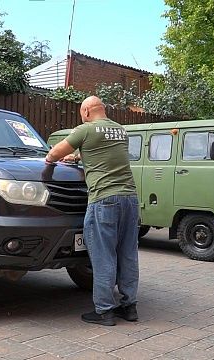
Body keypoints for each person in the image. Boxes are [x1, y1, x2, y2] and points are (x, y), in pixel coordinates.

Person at [45, 96, 140, 326]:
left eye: (81, 113)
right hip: (130, 198)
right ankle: (129, 307)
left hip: (105, 199)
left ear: (86, 111)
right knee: (127, 254)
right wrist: (78, 156)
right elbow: (106, 152)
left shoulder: (85, 129)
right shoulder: (120, 131)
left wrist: (50, 158)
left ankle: (104, 310)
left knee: (103, 254)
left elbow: (56, 152)